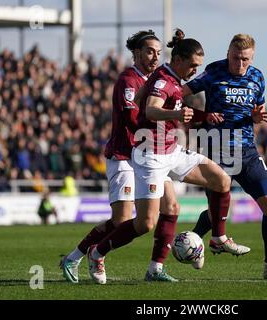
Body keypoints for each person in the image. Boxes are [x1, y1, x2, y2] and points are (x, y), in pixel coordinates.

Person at [85, 29, 250, 283]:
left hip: (171, 150)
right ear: (180, 61)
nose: (195, 71)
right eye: (193, 65)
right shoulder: (164, 81)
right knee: (144, 223)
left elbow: (142, 99)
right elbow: (151, 110)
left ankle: (212, 240)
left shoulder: (167, 77)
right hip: (150, 156)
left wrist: (200, 116)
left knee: (221, 181)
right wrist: (174, 115)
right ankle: (97, 253)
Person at [60, 30, 181, 284]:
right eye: (150, 51)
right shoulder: (128, 80)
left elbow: (177, 76)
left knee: (171, 207)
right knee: (122, 220)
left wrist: (179, 47)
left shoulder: (156, 79)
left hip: (150, 156)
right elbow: (134, 119)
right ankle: (77, 256)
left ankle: (155, 269)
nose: (155, 57)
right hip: (125, 155)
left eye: (159, 53)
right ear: (136, 53)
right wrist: (166, 121)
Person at [184, 34, 267, 281]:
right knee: (217, 216)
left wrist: (258, 117)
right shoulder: (213, 71)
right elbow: (180, 92)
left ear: (252, 57)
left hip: (246, 151)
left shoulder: (257, 77)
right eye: (235, 58)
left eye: (245, 59)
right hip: (215, 150)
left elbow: (259, 110)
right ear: (228, 53)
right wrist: (202, 115)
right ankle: (193, 245)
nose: (239, 64)